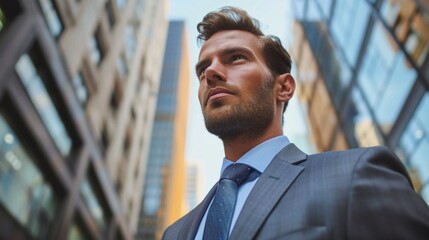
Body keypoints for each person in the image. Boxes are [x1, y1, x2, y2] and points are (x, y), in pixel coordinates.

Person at [163, 6, 429, 240]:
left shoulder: (356, 175)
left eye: (236, 58)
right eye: (202, 69)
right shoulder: (175, 233)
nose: (210, 73)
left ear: (284, 88)